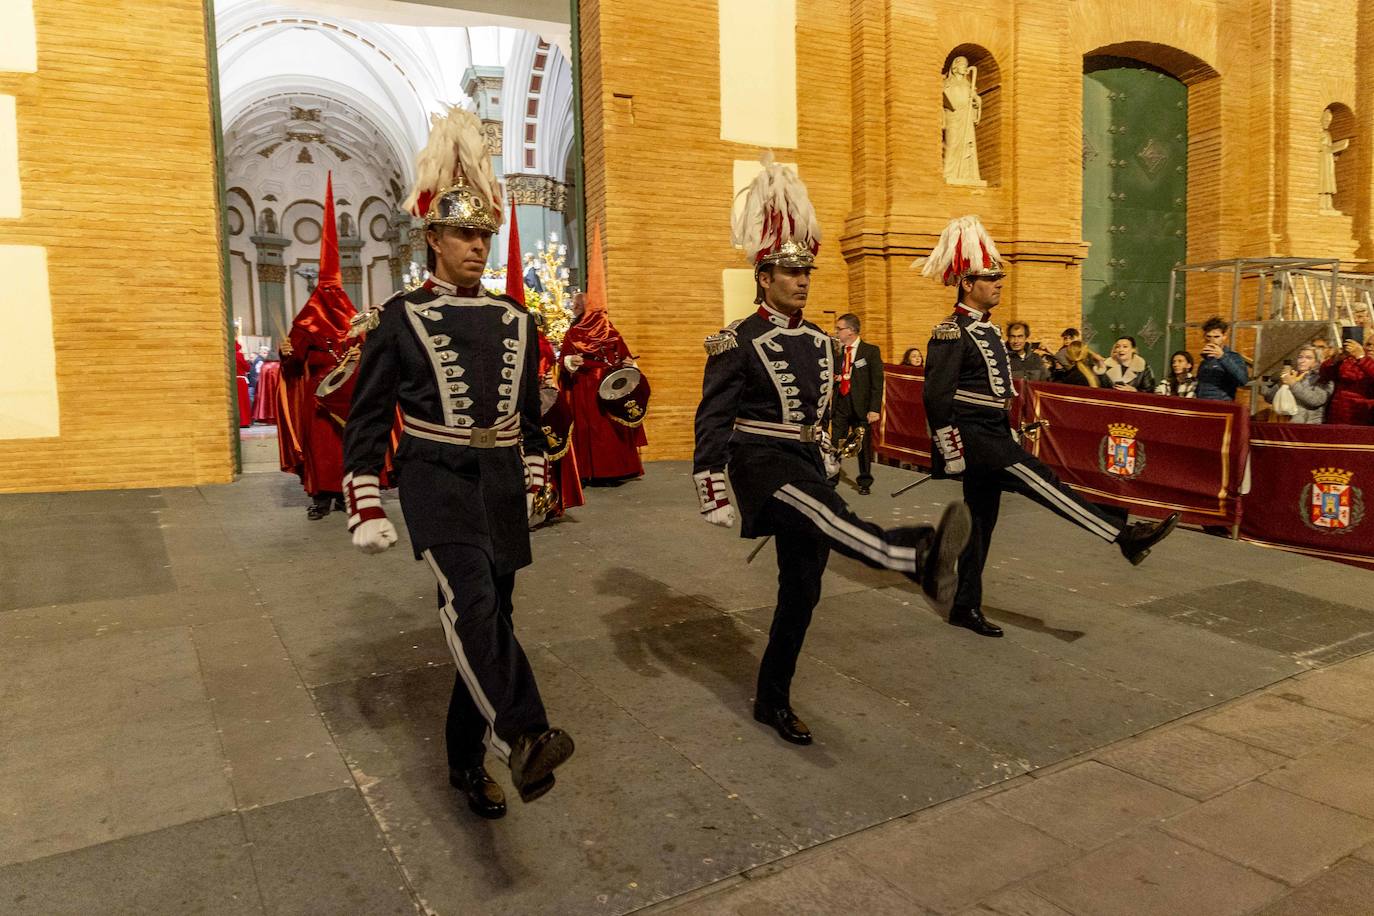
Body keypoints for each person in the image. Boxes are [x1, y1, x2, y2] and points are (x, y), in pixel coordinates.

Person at [342, 106, 574, 820]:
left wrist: (534, 473)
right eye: (463, 235)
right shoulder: (400, 317)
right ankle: (526, 733)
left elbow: (529, 417)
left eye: (484, 235)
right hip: (435, 478)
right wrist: (365, 499)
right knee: (471, 602)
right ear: (433, 239)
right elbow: (368, 415)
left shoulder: (517, 320)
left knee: (491, 623)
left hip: (500, 481)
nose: (477, 246)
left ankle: (465, 760)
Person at [694, 154, 971, 746]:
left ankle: (772, 698)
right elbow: (713, 417)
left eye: (806, 273)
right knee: (828, 516)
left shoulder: (823, 342)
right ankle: (912, 555)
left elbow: (820, 412)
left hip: (804, 463)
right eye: (789, 273)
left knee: (802, 591)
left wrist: (826, 451)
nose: (802, 281)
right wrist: (711, 484)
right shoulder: (737, 341)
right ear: (763, 277)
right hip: (759, 464)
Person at [919, 214, 1179, 638]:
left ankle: (964, 605)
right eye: (991, 278)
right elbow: (936, 397)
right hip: (977, 440)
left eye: (999, 277)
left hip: (993, 432)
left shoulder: (988, 330)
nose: (999, 283)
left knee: (980, 525)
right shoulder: (951, 333)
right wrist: (951, 452)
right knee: (1046, 484)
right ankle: (1123, 536)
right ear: (967, 284)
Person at [278, 176, 353, 519]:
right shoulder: (306, 322)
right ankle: (321, 497)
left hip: (347, 396)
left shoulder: (354, 320)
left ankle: (346, 495)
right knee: (320, 447)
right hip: (317, 397)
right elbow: (293, 365)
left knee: (346, 446)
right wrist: (287, 354)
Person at [559, 232, 647, 484]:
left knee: (607, 428)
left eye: (577, 306)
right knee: (597, 428)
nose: (574, 309)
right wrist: (571, 363)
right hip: (588, 386)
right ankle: (597, 470)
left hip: (602, 386)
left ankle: (611, 469)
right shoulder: (578, 332)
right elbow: (565, 359)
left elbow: (624, 355)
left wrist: (629, 365)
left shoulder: (606, 331)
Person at [830, 312, 884, 495]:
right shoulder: (837, 352)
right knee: (835, 442)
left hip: (861, 406)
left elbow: (877, 383)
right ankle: (832, 479)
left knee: (862, 446)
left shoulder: (870, 351)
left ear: (851, 331)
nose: (836, 332)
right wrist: (836, 378)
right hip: (841, 404)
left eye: (839, 329)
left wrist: (874, 409)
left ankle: (864, 482)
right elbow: (835, 374)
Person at [1260, 346, 1330, 423]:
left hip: (1308, 425)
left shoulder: (1322, 378)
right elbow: (1270, 399)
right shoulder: (1292, 375)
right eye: (1300, 357)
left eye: (1308, 358)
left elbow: (1316, 400)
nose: (1302, 361)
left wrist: (1293, 384)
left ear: (1317, 362)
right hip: (1284, 423)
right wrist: (1281, 384)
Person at [1319, 330, 1374, 424]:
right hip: (1338, 412)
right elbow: (1325, 375)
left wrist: (1362, 358)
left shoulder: (1361, 358)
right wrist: (1337, 359)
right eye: (1368, 344)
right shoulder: (1351, 359)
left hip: (1363, 415)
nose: (1370, 348)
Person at [1195, 316, 1249, 400]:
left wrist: (1222, 357)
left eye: (1216, 337)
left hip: (1222, 403)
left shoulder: (1233, 357)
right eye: (1209, 336)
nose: (1212, 340)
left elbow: (1243, 380)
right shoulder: (1205, 361)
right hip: (1203, 403)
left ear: (1224, 337)